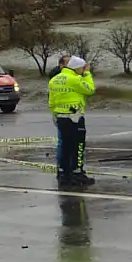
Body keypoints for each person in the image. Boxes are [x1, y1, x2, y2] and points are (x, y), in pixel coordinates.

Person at [48, 56, 96, 186]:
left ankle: (64, 173)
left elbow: (51, 101)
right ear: (77, 68)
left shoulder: (54, 80)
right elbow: (90, 89)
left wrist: (55, 115)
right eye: (82, 68)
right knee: (77, 146)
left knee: (65, 146)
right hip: (75, 117)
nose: (83, 70)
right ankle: (77, 172)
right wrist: (87, 74)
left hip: (61, 117)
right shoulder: (75, 79)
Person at [48, 53, 71, 170]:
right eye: (68, 63)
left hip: (70, 112)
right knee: (63, 141)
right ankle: (62, 166)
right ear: (61, 65)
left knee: (69, 141)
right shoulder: (57, 78)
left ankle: (67, 165)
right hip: (61, 113)